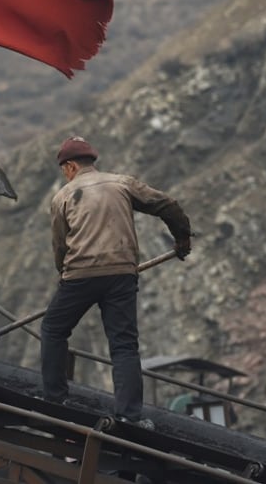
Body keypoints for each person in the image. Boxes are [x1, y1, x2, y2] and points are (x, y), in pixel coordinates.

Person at [41, 135, 192, 429]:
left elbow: (60, 246)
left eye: (64, 169)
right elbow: (166, 204)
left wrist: (64, 274)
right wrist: (182, 237)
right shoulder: (122, 183)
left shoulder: (63, 196)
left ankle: (55, 398)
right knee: (123, 345)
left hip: (80, 275)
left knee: (53, 330)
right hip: (121, 274)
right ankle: (129, 416)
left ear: (70, 166)